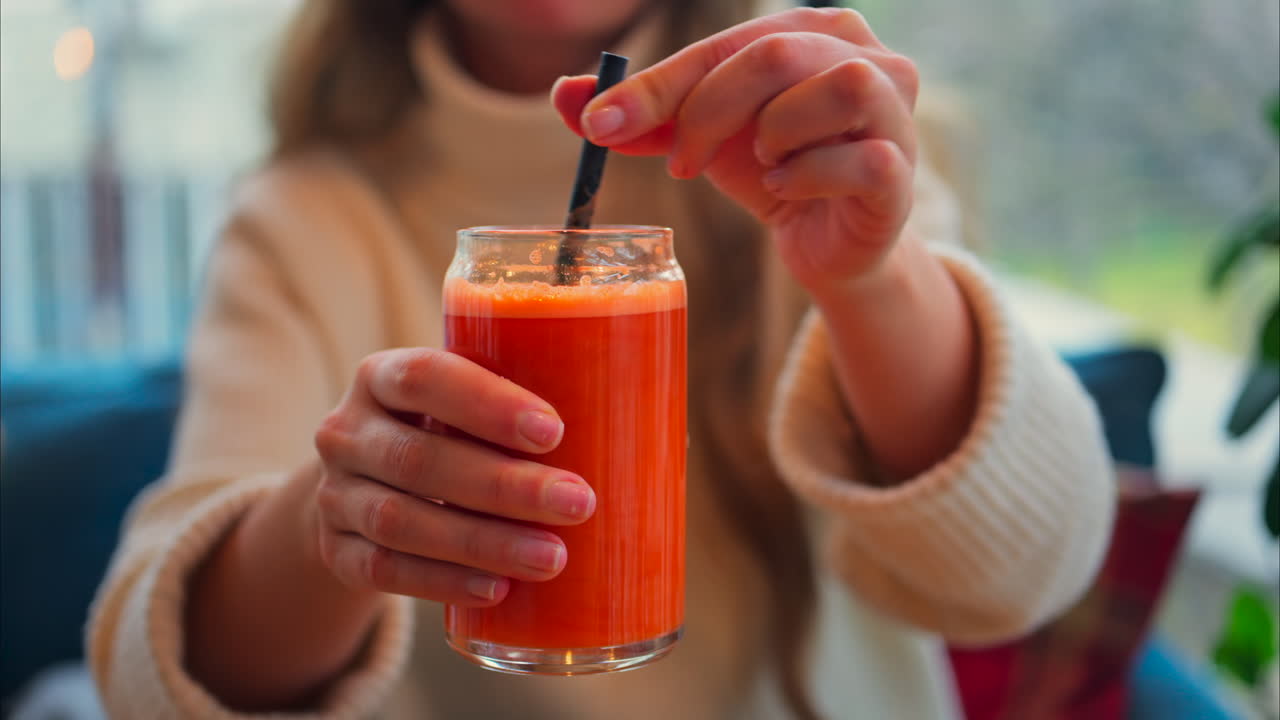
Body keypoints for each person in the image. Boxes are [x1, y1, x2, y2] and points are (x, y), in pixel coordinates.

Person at [87, 1, 1115, 718]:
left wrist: (868, 278)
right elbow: (157, 683)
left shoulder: (818, 136)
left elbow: (1027, 572)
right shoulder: (300, 221)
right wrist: (347, 507)